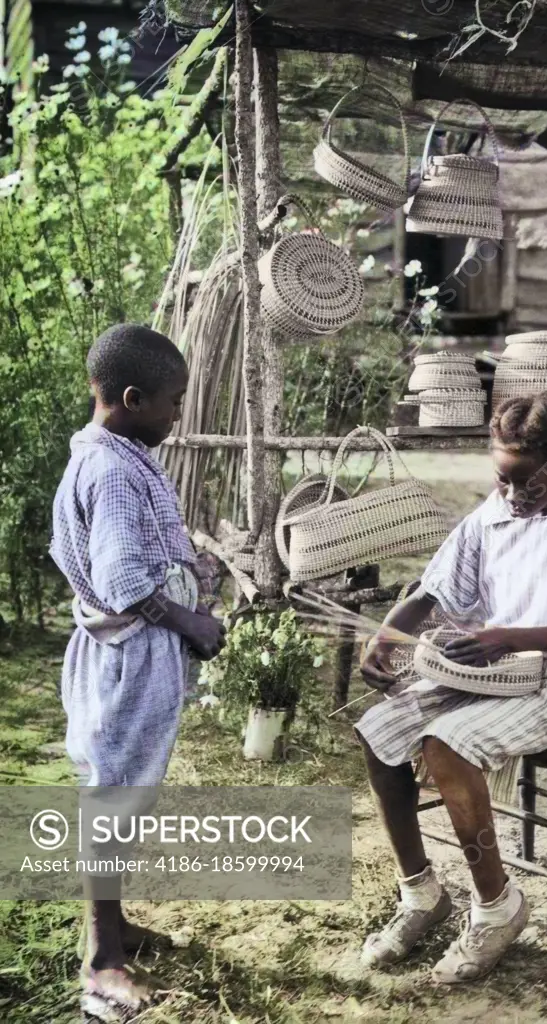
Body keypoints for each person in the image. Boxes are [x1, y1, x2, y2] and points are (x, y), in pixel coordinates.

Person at [355, 392, 547, 984]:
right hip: (495, 675)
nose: (511, 494)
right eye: (501, 478)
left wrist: (506, 635)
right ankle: (422, 896)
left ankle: (496, 908)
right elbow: (429, 593)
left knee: (443, 744)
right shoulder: (492, 515)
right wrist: (382, 640)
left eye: (524, 481)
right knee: (379, 732)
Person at [50, 324, 226, 1016]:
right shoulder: (115, 471)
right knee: (115, 801)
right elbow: (125, 580)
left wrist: (193, 567)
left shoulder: (108, 451)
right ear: (131, 399)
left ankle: (113, 924)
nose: (179, 414)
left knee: (121, 790)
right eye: (173, 402)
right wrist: (194, 623)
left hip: (119, 651)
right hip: (129, 655)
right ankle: (102, 963)